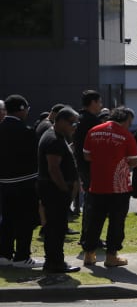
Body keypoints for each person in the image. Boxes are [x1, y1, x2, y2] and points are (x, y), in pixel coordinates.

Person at [81, 106, 137, 267]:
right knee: (116, 222)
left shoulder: (93, 131)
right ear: (127, 119)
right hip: (118, 187)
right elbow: (135, 161)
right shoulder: (126, 135)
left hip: (97, 185)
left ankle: (89, 253)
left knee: (94, 220)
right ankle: (111, 255)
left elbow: (86, 155)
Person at [36, 107, 81, 273]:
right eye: (71, 123)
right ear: (60, 121)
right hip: (54, 190)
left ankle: (54, 261)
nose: (74, 126)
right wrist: (64, 189)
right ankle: (55, 263)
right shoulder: (53, 139)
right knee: (56, 228)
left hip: (53, 189)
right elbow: (53, 169)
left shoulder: (57, 136)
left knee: (56, 227)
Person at [0, 95, 42, 268]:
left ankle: (4, 254)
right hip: (25, 183)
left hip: (3, 183)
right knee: (25, 221)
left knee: (7, 220)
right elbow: (35, 158)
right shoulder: (27, 131)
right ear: (21, 109)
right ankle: (22, 256)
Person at [72, 90, 104, 238]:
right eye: (99, 102)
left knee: (90, 203)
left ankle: (87, 235)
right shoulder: (92, 121)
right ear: (93, 103)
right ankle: (90, 237)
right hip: (92, 167)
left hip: (83, 166)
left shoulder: (79, 118)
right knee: (94, 204)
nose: (101, 105)